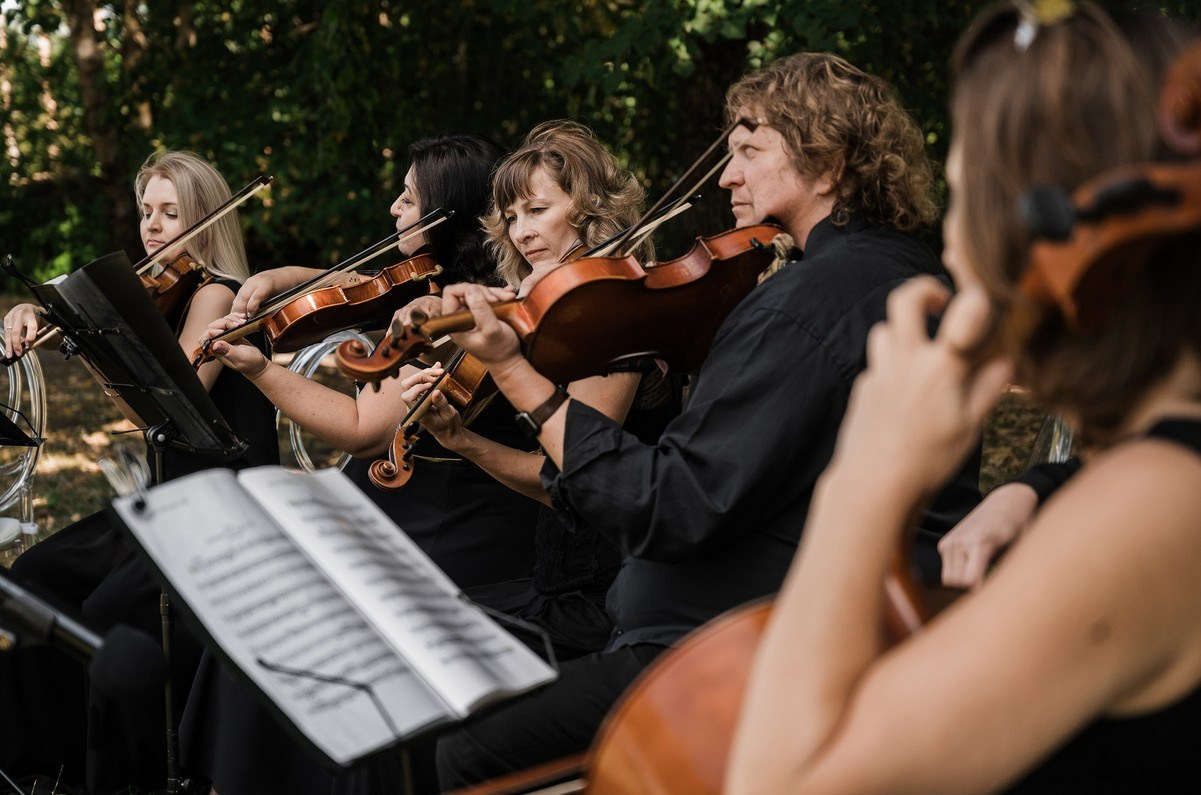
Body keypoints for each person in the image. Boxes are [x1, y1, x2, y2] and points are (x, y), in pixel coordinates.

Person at [432, 54, 981, 788]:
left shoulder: (806, 302)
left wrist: (514, 370)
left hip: (731, 652)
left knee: (464, 745)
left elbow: (670, 505)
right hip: (796, 629)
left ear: (828, 165)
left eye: (750, 153)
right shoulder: (904, 273)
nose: (726, 178)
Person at [726, 3, 1201, 792]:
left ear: (1041, 225)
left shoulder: (1149, 506)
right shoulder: (1148, 475)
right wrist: (1035, 485)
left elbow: (776, 782)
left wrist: (868, 474)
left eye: (966, 194)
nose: (952, 244)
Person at [0, 150, 279, 792]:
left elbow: (166, 399)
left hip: (221, 509)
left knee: (105, 615)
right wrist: (34, 314)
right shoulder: (159, 292)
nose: (152, 226)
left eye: (170, 213)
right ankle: (45, 762)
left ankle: (120, 777)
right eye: (146, 210)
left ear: (206, 222)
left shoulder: (217, 293)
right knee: (37, 575)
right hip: (165, 502)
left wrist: (89, 338)